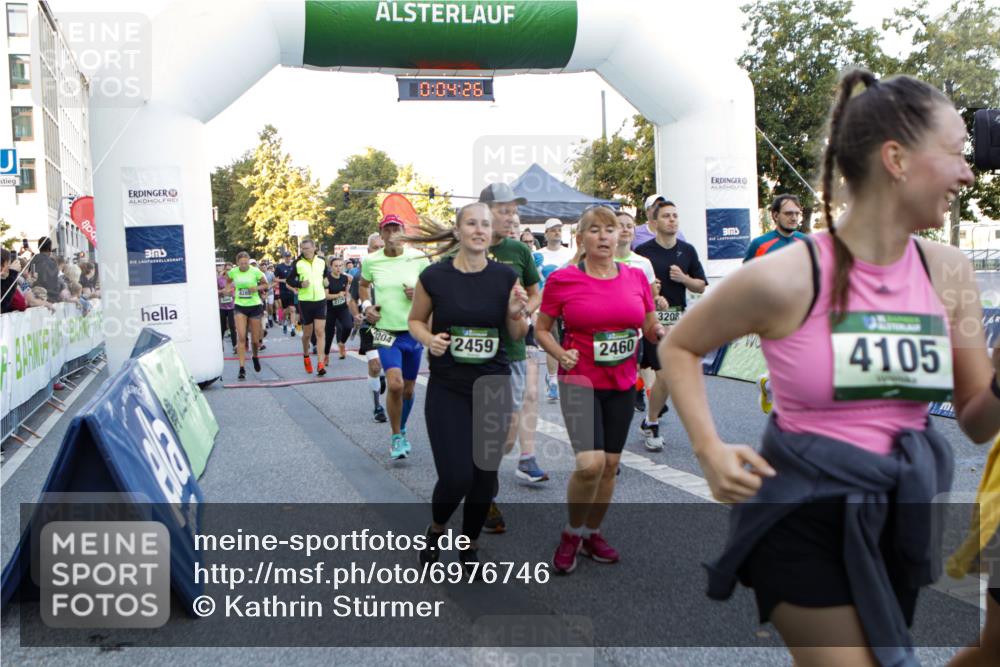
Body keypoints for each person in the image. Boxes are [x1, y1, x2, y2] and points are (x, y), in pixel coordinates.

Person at [660, 69, 1000, 667]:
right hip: (801, 511)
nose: (968, 173)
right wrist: (709, 449)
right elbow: (679, 346)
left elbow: (976, 421)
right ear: (896, 159)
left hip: (901, 513)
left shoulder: (949, 272)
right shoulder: (787, 276)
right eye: (955, 153)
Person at [535, 205, 664, 573]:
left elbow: (649, 323)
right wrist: (560, 353)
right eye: (595, 230)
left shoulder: (635, 277)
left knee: (610, 465)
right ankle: (571, 533)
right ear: (581, 239)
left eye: (610, 229)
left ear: (620, 235)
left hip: (621, 382)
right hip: (580, 381)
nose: (604, 236)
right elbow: (541, 329)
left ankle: (592, 533)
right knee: (590, 464)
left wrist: (659, 332)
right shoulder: (563, 280)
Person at [407, 202, 529, 573]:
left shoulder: (505, 277)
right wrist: (429, 339)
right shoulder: (435, 276)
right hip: (449, 387)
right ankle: (436, 529)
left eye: (485, 225)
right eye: (472, 224)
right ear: (458, 231)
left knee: (484, 478)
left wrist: (516, 313)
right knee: (457, 476)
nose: (479, 230)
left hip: (493, 386)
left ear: (492, 233)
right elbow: (415, 321)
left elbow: (517, 334)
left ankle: (469, 546)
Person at [479, 182, 544, 530]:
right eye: (504, 210)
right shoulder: (466, 247)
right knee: (485, 427)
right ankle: (485, 497)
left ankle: (482, 475)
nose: (510, 217)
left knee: (504, 437)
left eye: (513, 211)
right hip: (476, 353)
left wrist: (524, 312)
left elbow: (536, 292)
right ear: (485, 211)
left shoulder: (519, 250)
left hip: (513, 350)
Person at [634, 199, 707, 451]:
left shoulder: (687, 251)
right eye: (666, 216)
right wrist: (651, 293)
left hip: (676, 321)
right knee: (664, 373)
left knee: (667, 378)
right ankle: (652, 423)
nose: (672, 220)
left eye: (675, 215)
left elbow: (700, 285)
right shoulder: (643, 252)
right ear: (654, 222)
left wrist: (684, 278)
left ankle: (650, 418)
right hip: (650, 321)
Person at [360, 214, 431, 459]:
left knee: (409, 390)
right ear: (381, 234)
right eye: (387, 230)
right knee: (395, 383)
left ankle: (401, 427)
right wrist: (367, 306)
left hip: (413, 330)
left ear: (403, 232)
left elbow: (432, 289)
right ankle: (396, 436)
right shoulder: (371, 261)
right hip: (385, 331)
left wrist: (419, 294)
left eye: (396, 229)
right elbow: (362, 285)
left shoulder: (418, 258)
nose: (392, 234)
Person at [744, 194, 810, 414]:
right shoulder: (760, 244)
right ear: (775, 215)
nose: (794, 218)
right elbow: (746, 278)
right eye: (788, 213)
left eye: (797, 214)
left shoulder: (807, 242)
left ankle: (769, 384)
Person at [536, 218, 575, 404]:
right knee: (551, 340)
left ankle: (564, 377)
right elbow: (534, 281)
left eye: (559, 229)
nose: (556, 232)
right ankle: (553, 381)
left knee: (567, 342)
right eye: (552, 230)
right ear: (546, 234)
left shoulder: (571, 254)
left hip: (568, 304)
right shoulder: (537, 255)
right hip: (546, 304)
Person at [349, 233, 387, 423]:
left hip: (391, 324)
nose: (378, 250)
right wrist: (356, 313)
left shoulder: (392, 270)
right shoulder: (360, 274)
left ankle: (381, 377)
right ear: (368, 250)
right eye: (375, 247)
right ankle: (377, 407)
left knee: (389, 366)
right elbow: (351, 299)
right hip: (369, 325)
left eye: (382, 247)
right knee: (375, 364)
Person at [286, 237, 330, 377]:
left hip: (320, 300)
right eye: (303, 249)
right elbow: (289, 280)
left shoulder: (321, 261)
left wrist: (326, 282)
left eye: (308, 248)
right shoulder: (298, 263)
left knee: (320, 331)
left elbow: (325, 275)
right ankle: (306, 355)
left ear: (314, 248)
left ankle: (320, 364)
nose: (305, 251)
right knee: (307, 334)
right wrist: (300, 284)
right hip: (305, 302)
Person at [228, 252, 268, 380]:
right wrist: (229, 289)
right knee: (241, 337)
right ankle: (242, 368)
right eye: (241, 263)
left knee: (255, 341)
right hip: (240, 306)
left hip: (255, 306)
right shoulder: (233, 272)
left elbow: (266, 284)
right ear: (237, 263)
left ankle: (255, 356)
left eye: (246, 263)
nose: (244, 265)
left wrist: (256, 288)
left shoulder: (255, 271)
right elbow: (227, 281)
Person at [324, 256, 353, 361]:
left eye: (340, 266)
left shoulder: (345, 278)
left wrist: (348, 300)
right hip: (330, 309)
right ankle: (326, 355)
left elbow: (347, 292)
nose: (338, 268)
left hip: (342, 308)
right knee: (329, 334)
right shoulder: (326, 279)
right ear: (331, 267)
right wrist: (338, 295)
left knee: (348, 326)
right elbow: (326, 296)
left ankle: (341, 343)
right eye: (336, 266)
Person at [274, 251, 298, 336]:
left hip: (292, 290)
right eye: (286, 256)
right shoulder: (279, 267)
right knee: (285, 310)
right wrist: (283, 280)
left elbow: (297, 277)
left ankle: (292, 328)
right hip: (283, 291)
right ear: (284, 257)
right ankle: (284, 322)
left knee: (293, 309)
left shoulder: (294, 266)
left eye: (289, 256)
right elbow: (274, 279)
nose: (288, 258)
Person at [32, 236, 60, 302]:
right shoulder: (53, 263)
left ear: (39, 247)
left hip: (37, 297)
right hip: (53, 298)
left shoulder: (33, 261)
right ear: (50, 248)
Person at [217, 260, 237, 353]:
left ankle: (235, 346)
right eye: (227, 269)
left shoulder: (235, 279)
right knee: (222, 327)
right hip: (222, 306)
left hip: (232, 306)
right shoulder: (219, 279)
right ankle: (220, 346)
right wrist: (222, 291)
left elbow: (237, 290)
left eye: (230, 269)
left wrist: (233, 294)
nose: (229, 271)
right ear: (224, 269)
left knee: (232, 326)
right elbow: (215, 290)